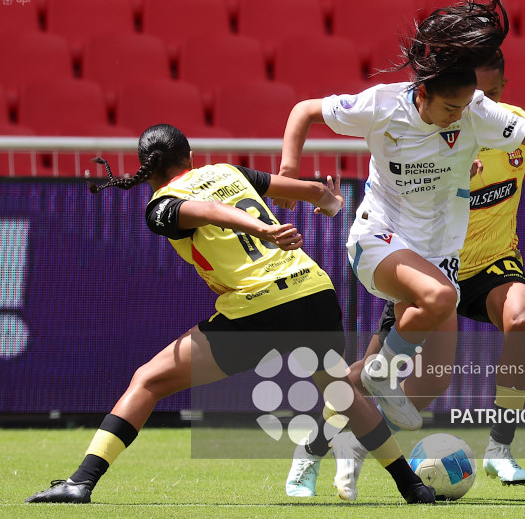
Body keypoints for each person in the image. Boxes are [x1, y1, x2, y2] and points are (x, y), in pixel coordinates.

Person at [281, 0, 525, 498]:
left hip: (438, 262)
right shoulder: (380, 107)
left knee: (415, 381)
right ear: (422, 93)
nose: (459, 117)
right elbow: (303, 111)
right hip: (379, 240)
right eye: (449, 107)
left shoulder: (475, 114)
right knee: (437, 301)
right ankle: (368, 403)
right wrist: (290, 174)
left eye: (466, 107)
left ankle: (317, 444)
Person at [25, 124, 435, 505]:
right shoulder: (228, 172)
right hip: (313, 289)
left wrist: (262, 230)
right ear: (189, 156)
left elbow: (206, 212)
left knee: (148, 381)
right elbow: (301, 190)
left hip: (259, 306)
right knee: (338, 391)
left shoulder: (161, 206)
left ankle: (81, 481)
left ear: (146, 166)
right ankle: (412, 486)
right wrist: (327, 200)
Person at [320, 51, 525, 500]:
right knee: (404, 378)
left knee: (523, 318)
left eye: (490, 94)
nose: (479, 105)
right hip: (432, 264)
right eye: (472, 97)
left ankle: (500, 445)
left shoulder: (507, 122)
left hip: (494, 262)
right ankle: (335, 441)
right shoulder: (439, 130)